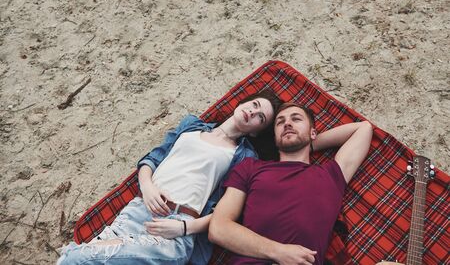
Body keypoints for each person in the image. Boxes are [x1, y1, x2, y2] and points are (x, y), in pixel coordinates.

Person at [57, 90, 281, 265]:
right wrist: (147, 186)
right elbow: (152, 159)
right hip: (138, 212)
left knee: (77, 259)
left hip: (177, 228)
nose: (252, 112)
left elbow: (229, 212)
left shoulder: (244, 157)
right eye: (254, 104)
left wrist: (185, 229)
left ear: (255, 132)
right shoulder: (191, 125)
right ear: (242, 103)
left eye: (260, 117)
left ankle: (70, 256)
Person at [209, 102, 373, 265]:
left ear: (313, 132)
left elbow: (364, 129)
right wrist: (279, 251)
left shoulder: (331, 174)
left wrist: (308, 142)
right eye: (280, 122)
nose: (287, 123)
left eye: (296, 119)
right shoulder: (250, 167)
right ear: (274, 138)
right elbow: (219, 228)